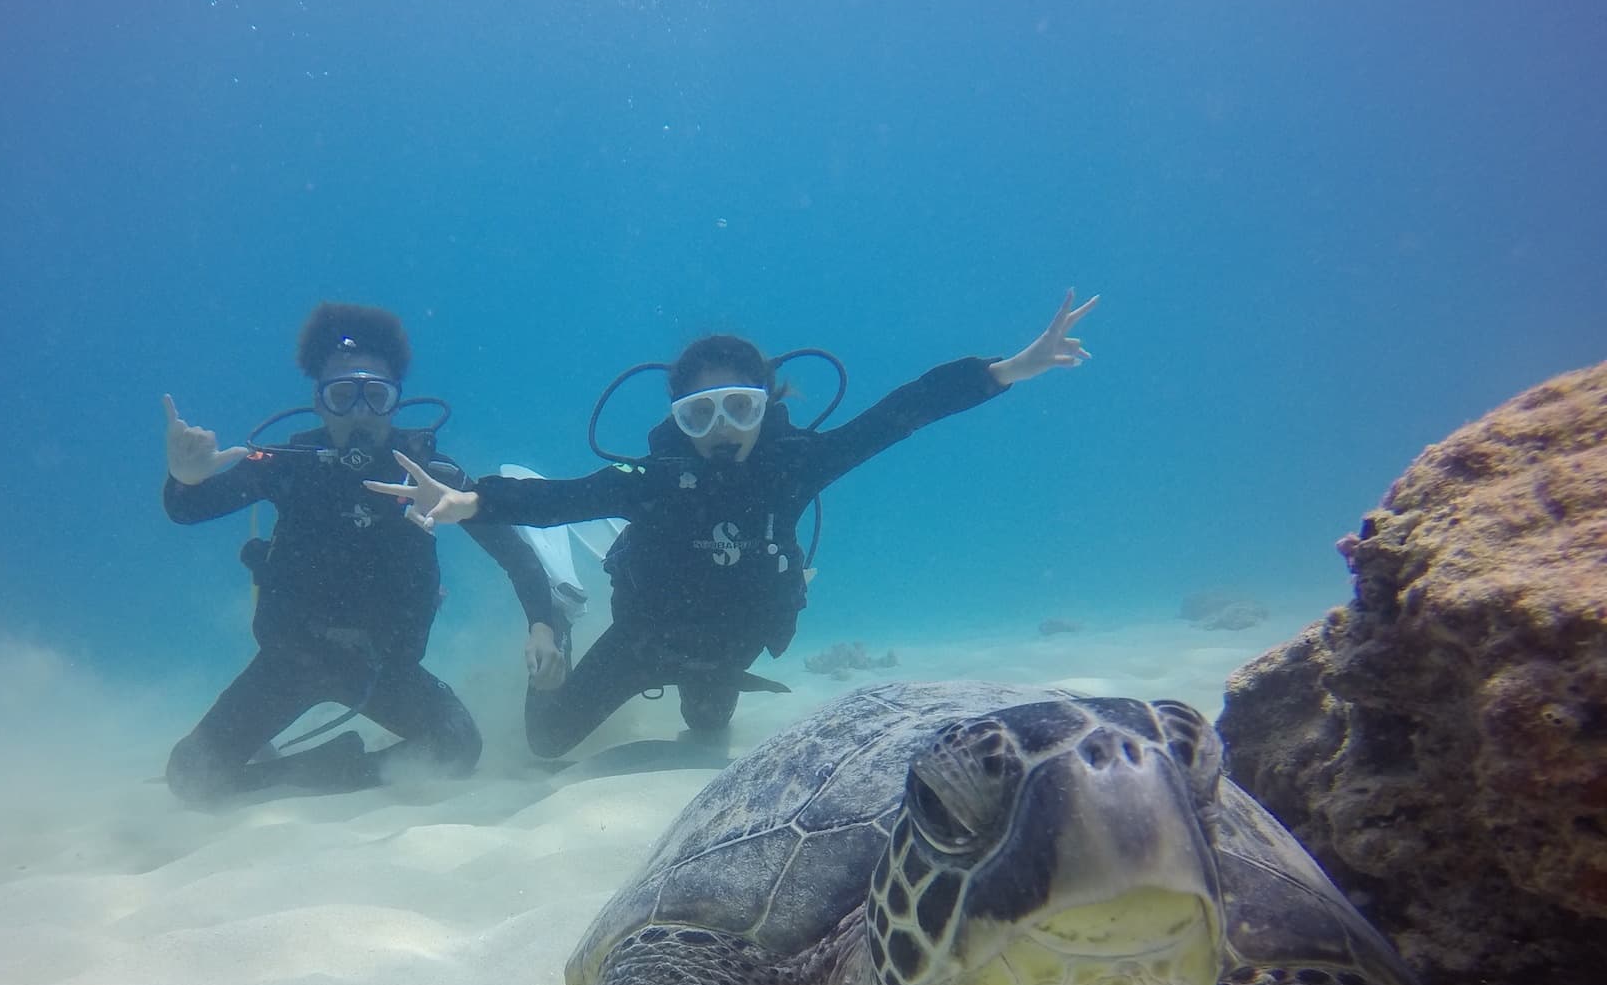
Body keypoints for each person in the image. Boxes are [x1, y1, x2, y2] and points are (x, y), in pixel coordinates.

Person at [370, 290, 1097, 758]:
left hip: (727, 655)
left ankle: (692, 683)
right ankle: (559, 613)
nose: (722, 429)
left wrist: (1003, 371)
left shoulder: (796, 465)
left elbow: (897, 416)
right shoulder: (657, 481)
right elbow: (564, 498)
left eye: (740, 408)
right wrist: (471, 504)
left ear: (767, 407)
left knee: (708, 730)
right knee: (546, 741)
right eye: (700, 413)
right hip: (644, 643)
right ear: (678, 422)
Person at [160, 302, 570, 804]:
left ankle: (317, 774)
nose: (359, 412)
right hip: (291, 660)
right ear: (318, 402)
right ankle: (317, 771)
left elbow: (514, 553)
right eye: (342, 396)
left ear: (396, 402)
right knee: (188, 775)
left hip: (382, 669)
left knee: (457, 745)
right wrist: (184, 479)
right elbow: (189, 510)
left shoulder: (428, 473)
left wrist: (542, 626)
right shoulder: (287, 466)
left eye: (375, 396)